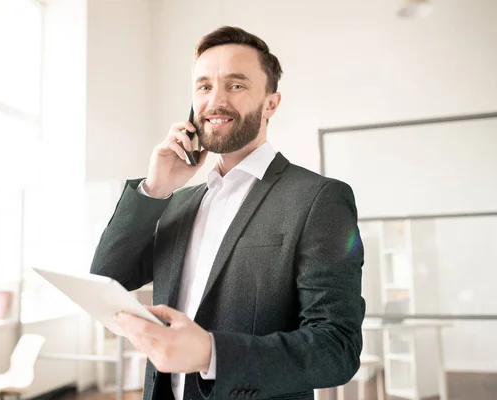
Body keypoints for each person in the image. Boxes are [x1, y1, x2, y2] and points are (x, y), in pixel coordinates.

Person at [91, 26, 365, 400]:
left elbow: (337, 348)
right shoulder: (179, 201)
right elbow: (109, 280)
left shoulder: (319, 199)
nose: (215, 102)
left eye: (235, 86)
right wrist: (155, 189)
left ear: (271, 103)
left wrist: (210, 353)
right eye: (204, 87)